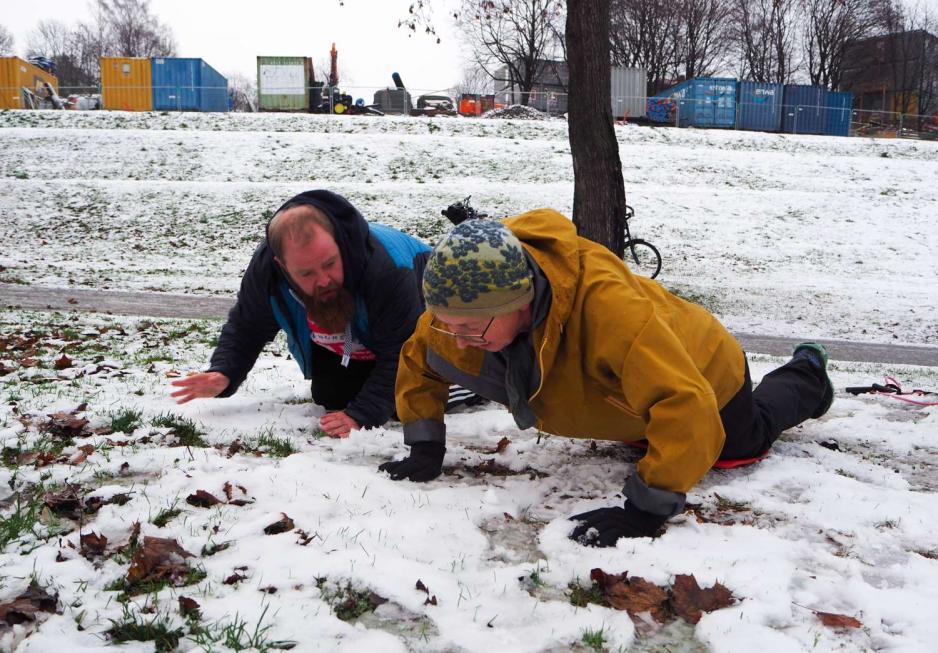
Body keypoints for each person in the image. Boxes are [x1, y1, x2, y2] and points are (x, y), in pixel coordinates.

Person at [380, 209, 834, 545]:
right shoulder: (463, 314)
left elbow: (685, 402)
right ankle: (647, 432)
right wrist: (425, 445)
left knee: (738, 446)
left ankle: (807, 374)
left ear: (520, 303)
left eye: (469, 329)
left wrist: (644, 512)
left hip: (703, 368)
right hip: (629, 397)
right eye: (447, 325)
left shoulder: (609, 312)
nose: (457, 341)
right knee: (655, 436)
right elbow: (422, 359)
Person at [171, 190, 448, 437]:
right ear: (282, 265)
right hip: (364, 340)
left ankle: (465, 382)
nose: (323, 280)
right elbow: (248, 324)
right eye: (306, 273)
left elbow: (403, 351)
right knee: (331, 396)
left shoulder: (387, 269)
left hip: (437, 323)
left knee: (406, 403)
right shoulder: (266, 271)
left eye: (329, 264)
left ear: (340, 243)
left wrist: (361, 417)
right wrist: (224, 372)